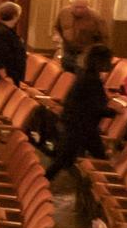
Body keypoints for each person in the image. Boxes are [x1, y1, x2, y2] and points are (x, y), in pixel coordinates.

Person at [47, 44, 114, 190]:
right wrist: (113, 112)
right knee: (65, 160)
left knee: (65, 160)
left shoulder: (85, 75)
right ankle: (104, 190)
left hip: (79, 125)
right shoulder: (91, 80)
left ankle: (96, 191)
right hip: (80, 127)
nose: (111, 64)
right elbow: (94, 108)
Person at [56, 0, 107, 73]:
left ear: (87, 5)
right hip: (67, 52)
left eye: (83, 7)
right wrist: (58, 38)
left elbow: (103, 38)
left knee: (79, 77)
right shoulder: (63, 13)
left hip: (85, 55)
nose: (79, 10)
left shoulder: (96, 17)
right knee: (66, 77)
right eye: (76, 7)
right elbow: (57, 28)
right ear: (71, 4)